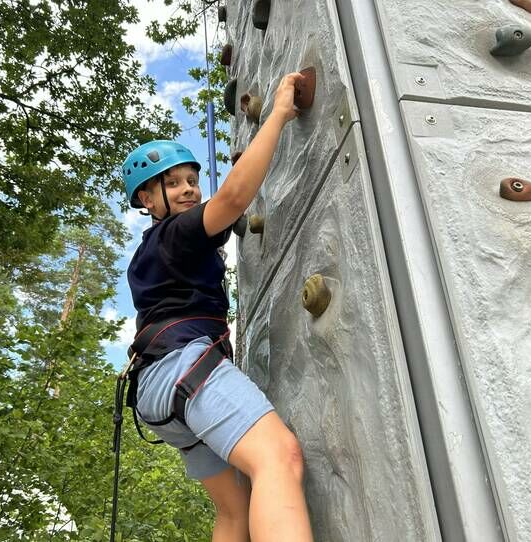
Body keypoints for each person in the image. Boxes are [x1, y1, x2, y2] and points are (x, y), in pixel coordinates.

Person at [122, 73, 313, 542]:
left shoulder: (149, 253)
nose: (188, 189)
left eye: (192, 180)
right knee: (278, 457)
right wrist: (279, 114)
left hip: (157, 392)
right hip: (185, 368)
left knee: (234, 512)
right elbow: (232, 199)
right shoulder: (174, 234)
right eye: (172, 183)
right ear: (146, 199)